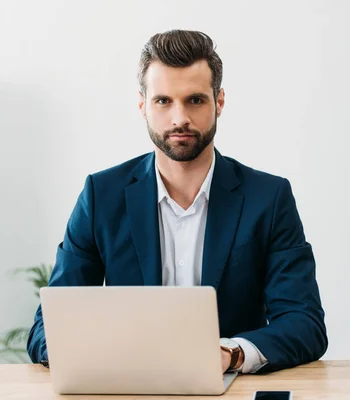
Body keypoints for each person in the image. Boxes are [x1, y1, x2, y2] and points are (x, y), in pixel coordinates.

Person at [27, 29, 328, 374]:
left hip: (230, 387)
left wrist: (231, 354)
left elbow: (304, 323)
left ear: (220, 102)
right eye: (163, 101)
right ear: (143, 106)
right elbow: (46, 329)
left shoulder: (269, 198)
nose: (179, 118)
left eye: (195, 100)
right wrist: (101, 355)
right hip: (129, 387)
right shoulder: (101, 195)